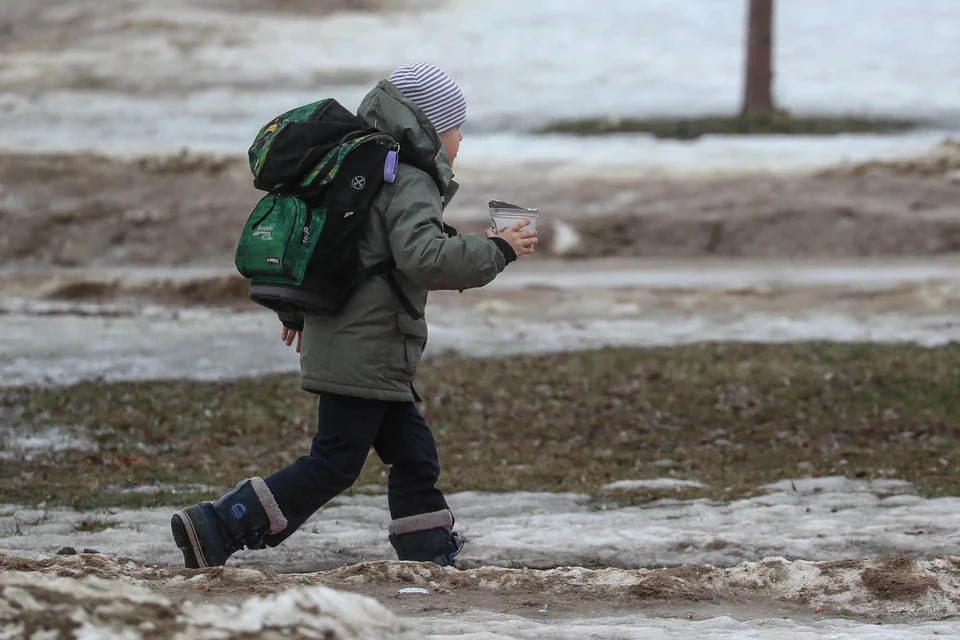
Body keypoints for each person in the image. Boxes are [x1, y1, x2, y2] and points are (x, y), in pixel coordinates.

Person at [170, 62, 538, 569]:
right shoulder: (409, 179)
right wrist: (499, 249)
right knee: (334, 463)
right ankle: (220, 524)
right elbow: (423, 258)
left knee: (413, 456)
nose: (460, 141)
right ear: (430, 125)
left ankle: (428, 554)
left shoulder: (366, 167)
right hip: (367, 345)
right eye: (457, 127)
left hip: (360, 342)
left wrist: (300, 313)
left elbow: (351, 250)